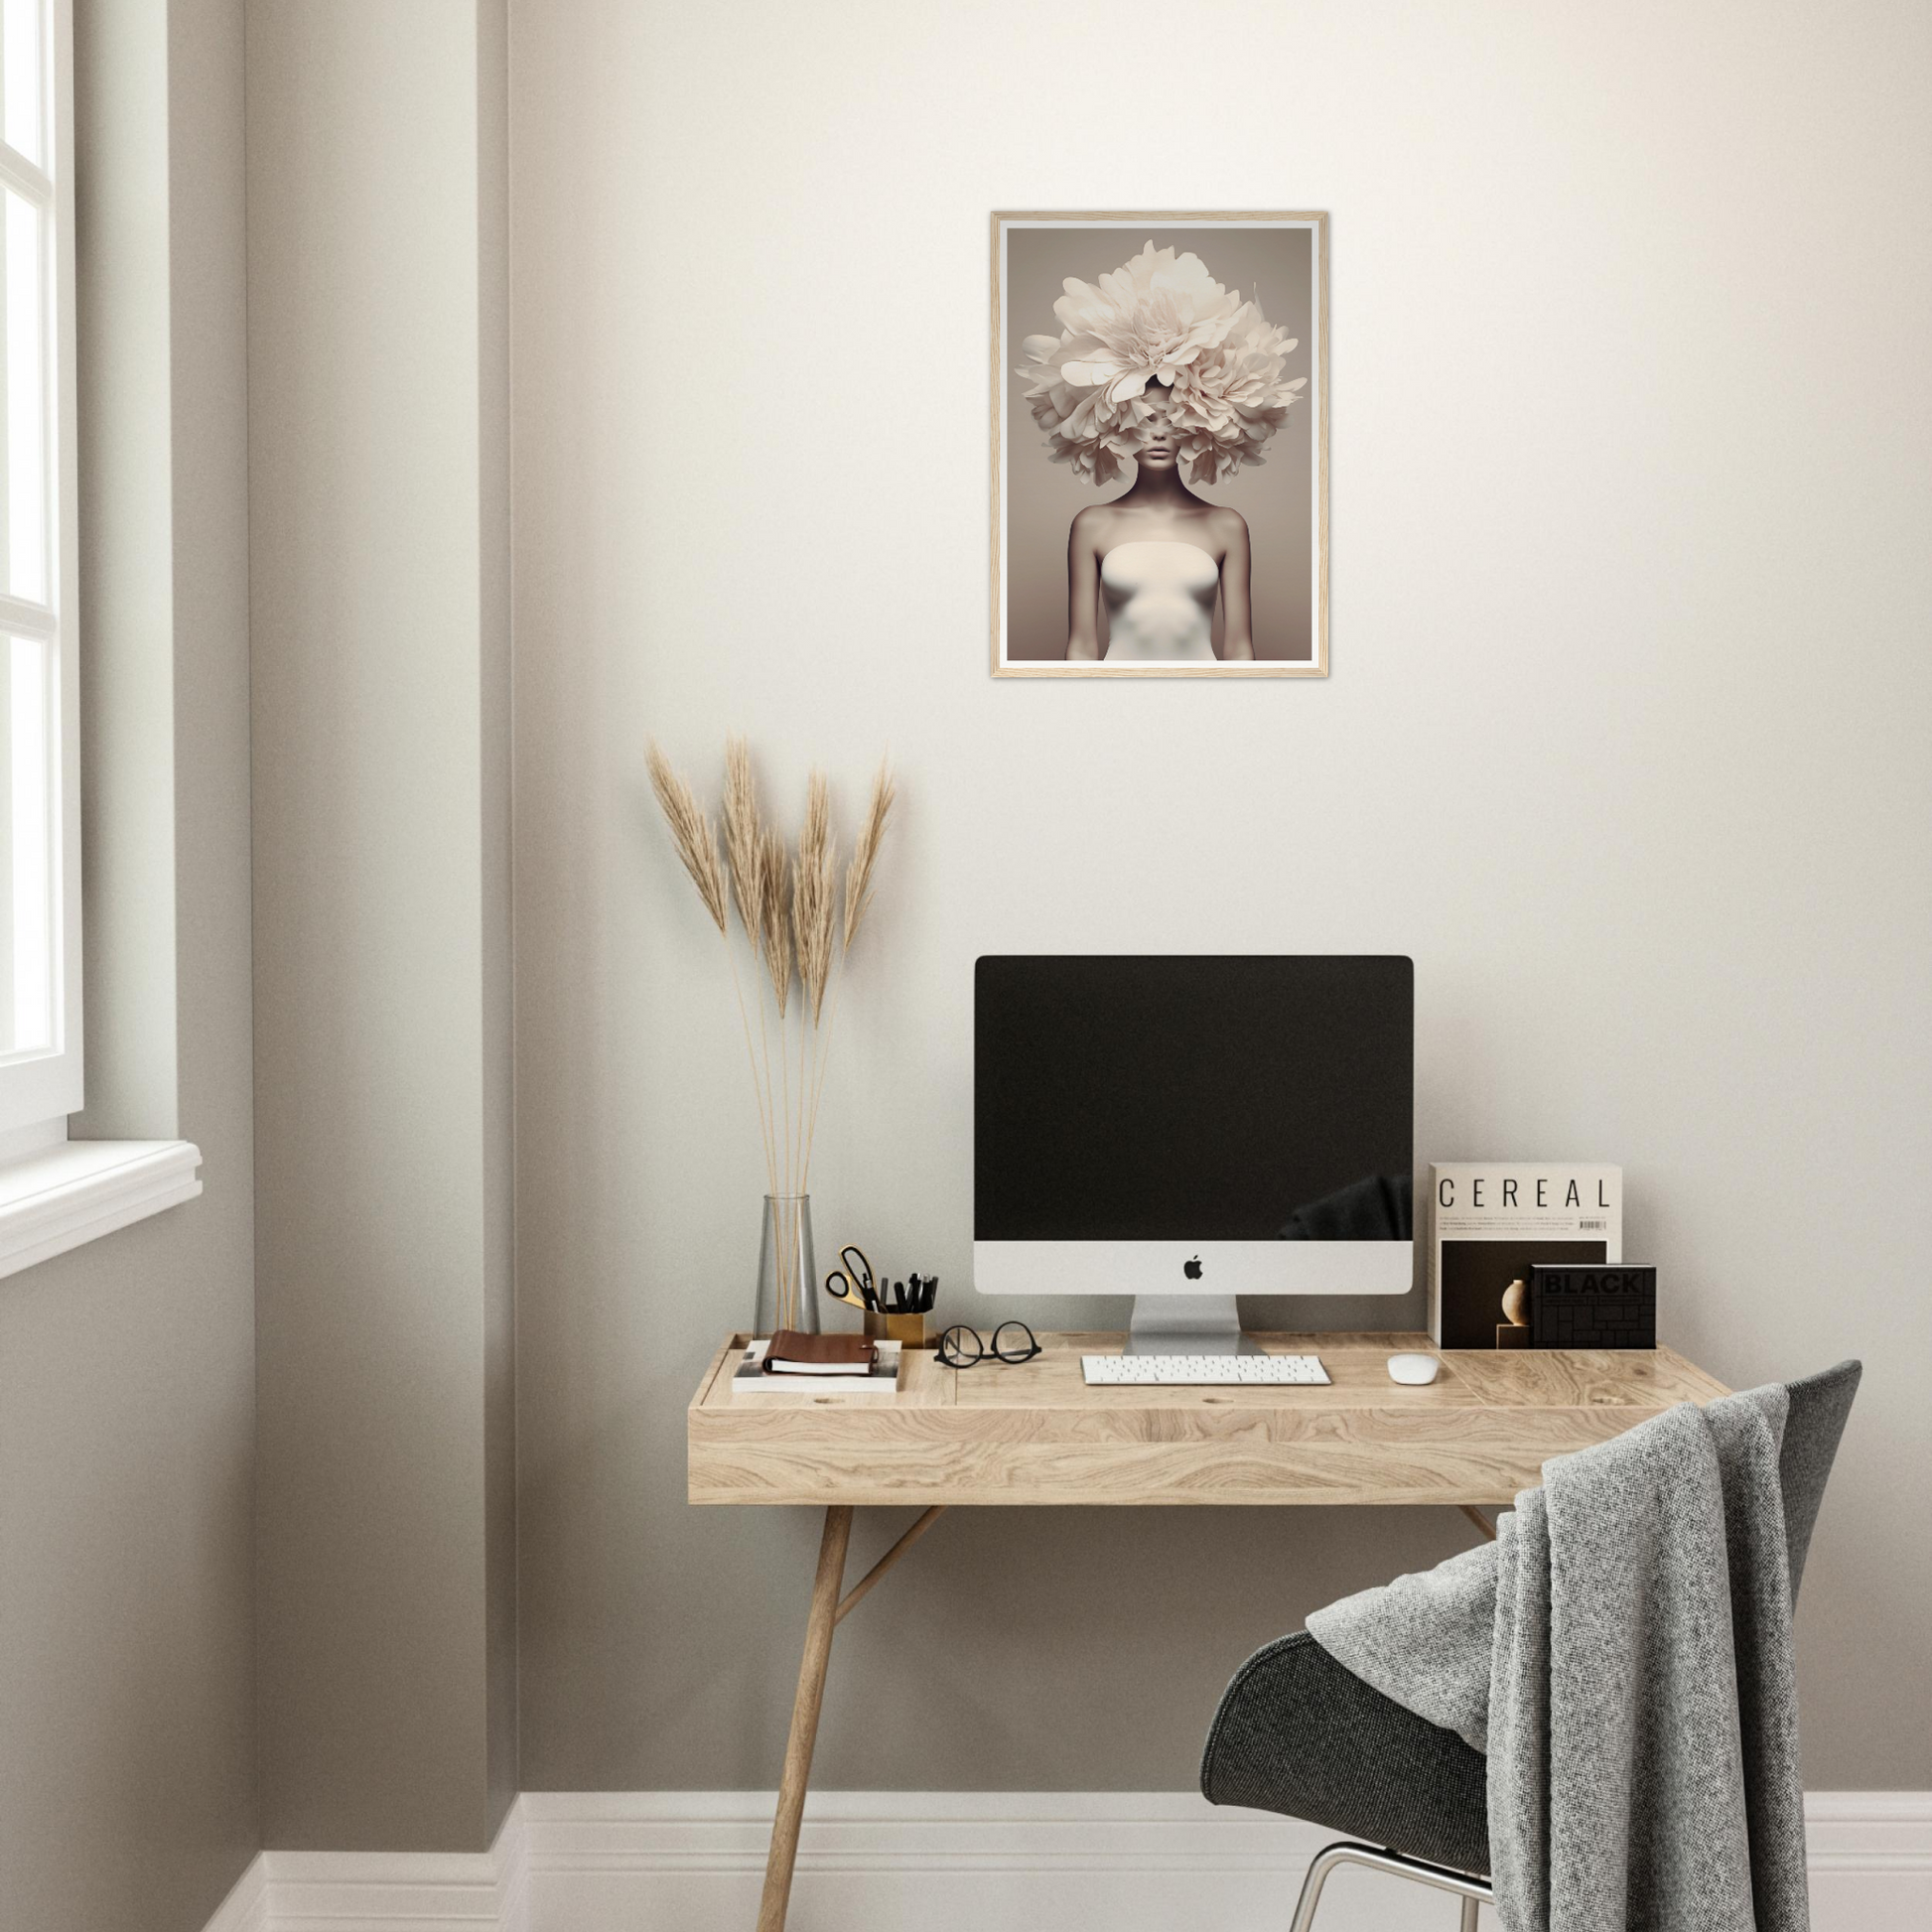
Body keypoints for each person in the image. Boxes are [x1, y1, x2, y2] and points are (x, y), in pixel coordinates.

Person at [1016, 240, 1306, 663]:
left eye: (1173, 419)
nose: (1158, 433)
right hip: (1116, 702)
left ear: (1202, 423)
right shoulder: (1092, 525)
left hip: (1205, 703)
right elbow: (1080, 646)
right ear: (1114, 421)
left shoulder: (1226, 526)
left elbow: (1240, 648)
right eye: (1144, 418)